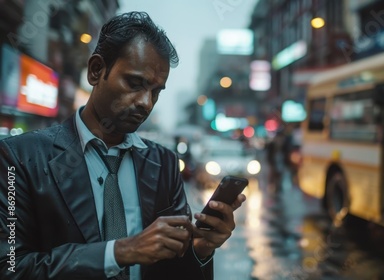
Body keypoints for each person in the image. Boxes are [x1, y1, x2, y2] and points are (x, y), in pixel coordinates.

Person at [0, 11, 245, 280]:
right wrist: (119, 252)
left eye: (155, 91)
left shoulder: (163, 164)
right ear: (96, 71)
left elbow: (172, 268)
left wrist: (201, 249)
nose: (145, 102)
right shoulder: (18, 159)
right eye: (134, 83)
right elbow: (10, 267)